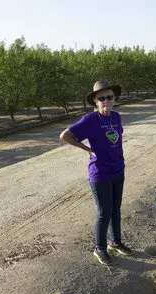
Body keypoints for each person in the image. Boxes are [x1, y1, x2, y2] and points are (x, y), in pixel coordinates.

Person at [60, 80, 132, 266]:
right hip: (100, 173)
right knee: (104, 212)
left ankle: (115, 242)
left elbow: (116, 139)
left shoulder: (116, 117)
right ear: (95, 102)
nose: (106, 101)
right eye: (101, 98)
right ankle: (99, 248)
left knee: (116, 209)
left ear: (114, 99)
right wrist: (86, 149)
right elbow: (65, 135)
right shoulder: (90, 120)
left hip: (118, 169)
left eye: (109, 97)